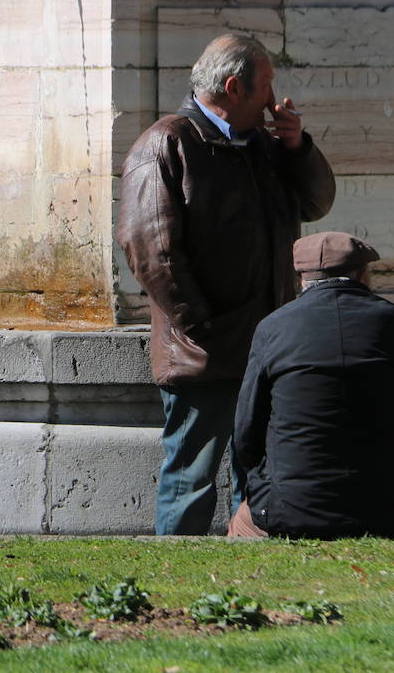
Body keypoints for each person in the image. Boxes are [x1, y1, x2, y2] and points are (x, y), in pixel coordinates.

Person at [116, 33, 336, 535]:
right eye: (266, 87)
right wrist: (206, 327)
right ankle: (177, 585)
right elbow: (150, 249)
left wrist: (298, 146)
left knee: (255, 476)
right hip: (203, 354)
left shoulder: (264, 146)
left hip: (264, 346)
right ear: (235, 87)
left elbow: (318, 202)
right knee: (190, 477)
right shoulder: (167, 143)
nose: (274, 99)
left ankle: (248, 578)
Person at [228, 231, 394, 538]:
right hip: (389, 511)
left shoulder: (273, 327)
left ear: (301, 279)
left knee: (242, 530)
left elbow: (247, 435)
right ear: (364, 275)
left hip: (290, 511)